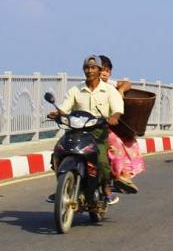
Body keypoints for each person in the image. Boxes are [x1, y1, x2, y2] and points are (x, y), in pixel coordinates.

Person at [48, 55, 124, 205]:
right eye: (87, 68)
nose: (89, 71)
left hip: (97, 132)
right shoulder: (76, 90)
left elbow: (117, 109)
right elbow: (65, 107)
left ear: (100, 70)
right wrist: (57, 113)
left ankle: (105, 188)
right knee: (58, 153)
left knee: (101, 161)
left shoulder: (109, 90)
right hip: (75, 130)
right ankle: (62, 187)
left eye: (93, 68)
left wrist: (114, 117)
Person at [98, 55, 145, 194]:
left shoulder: (111, 86)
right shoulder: (86, 86)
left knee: (122, 142)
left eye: (107, 70)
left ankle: (121, 176)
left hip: (105, 126)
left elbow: (126, 83)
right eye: (101, 70)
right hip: (87, 125)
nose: (104, 73)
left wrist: (121, 90)